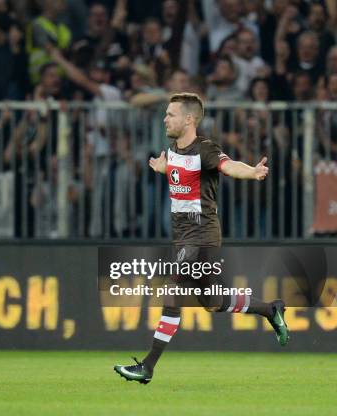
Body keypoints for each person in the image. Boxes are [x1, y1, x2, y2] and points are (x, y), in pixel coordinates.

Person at [113, 93, 289, 384]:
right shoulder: (172, 150)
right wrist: (163, 168)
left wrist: (252, 172)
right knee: (211, 300)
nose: (165, 118)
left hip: (202, 235)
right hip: (182, 237)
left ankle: (147, 367)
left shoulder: (206, 149)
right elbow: (182, 174)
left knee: (173, 288)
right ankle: (271, 309)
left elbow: (228, 165)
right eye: (166, 114)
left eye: (171, 114)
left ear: (189, 119)